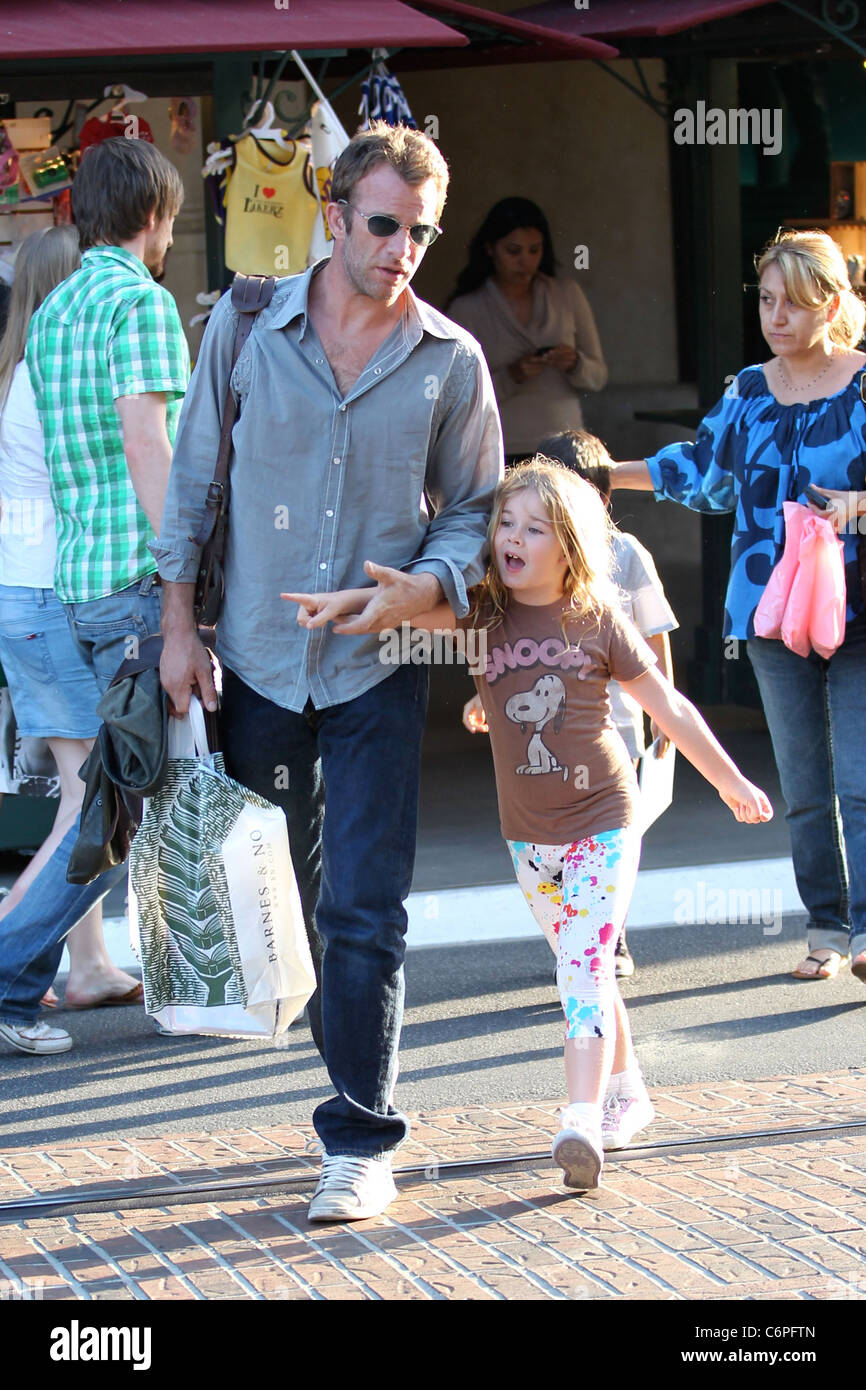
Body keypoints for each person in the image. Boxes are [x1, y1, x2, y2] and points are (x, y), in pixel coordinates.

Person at [155, 122, 502, 1222]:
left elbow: (479, 510)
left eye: (422, 231)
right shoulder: (246, 325)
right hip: (253, 657)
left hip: (381, 664)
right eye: (385, 224)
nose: (403, 247)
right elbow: (194, 482)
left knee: (364, 907)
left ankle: (359, 1135)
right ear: (335, 214)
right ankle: (341, 1060)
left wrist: (421, 588)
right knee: (286, 906)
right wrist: (177, 625)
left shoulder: (450, 359)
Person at [285, 458, 772, 1191]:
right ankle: (628, 1089)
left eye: (533, 528)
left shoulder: (598, 618)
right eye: (505, 524)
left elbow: (670, 707)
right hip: (527, 836)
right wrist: (338, 603)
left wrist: (730, 780)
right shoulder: (484, 614)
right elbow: (401, 610)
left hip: (604, 818)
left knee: (579, 969)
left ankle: (579, 1119)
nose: (512, 537)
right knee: (590, 964)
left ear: (569, 544)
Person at [608, 229, 866, 987]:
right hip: (767, 611)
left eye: (792, 301)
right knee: (806, 785)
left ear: (830, 301)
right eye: (767, 300)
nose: (776, 316)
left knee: (859, 776)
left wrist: (859, 506)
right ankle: (825, 927)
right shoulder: (749, 390)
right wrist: (602, 473)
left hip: (856, 609)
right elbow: (704, 473)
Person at [0, 137, 189, 1057]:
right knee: (114, 808)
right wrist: (183, 573)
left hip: (73, 584)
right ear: (156, 218)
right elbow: (148, 445)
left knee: (110, 803)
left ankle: (90, 969)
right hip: (134, 584)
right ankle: (9, 974)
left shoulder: (55, 312)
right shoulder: (140, 303)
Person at [461, 428, 679, 978]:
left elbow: (654, 635)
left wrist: (664, 710)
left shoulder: (628, 554)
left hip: (616, 723)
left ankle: (610, 940)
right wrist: (480, 694)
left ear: (598, 499)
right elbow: (508, 647)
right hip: (548, 740)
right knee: (568, 853)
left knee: (609, 840)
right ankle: (580, 941)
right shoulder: (510, 583)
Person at [0, 226, 144, 1018]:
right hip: (49, 595)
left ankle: (87, 961)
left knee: (81, 792)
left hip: (19, 596)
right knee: (95, 800)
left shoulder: (13, 374)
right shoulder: (47, 380)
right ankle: (12, 952)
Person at [448, 198, 606, 464]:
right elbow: (456, 394)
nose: (526, 262)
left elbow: (598, 377)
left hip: (566, 446)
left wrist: (574, 363)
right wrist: (512, 375)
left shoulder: (567, 294)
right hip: (500, 446)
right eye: (514, 251)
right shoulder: (467, 308)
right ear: (490, 249)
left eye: (535, 250)